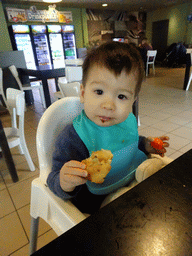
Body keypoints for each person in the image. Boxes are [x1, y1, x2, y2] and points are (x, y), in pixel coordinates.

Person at [47, 42, 169, 214]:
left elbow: (127, 143)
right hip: (95, 203)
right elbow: (52, 179)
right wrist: (64, 181)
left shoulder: (126, 120)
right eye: (99, 92)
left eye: (121, 96)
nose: (108, 105)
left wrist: (146, 145)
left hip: (131, 180)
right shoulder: (73, 137)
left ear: (133, 101)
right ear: (83, 93)